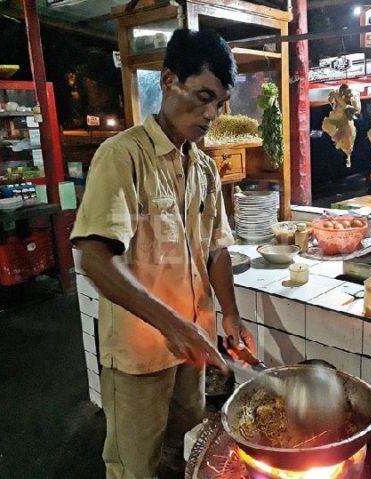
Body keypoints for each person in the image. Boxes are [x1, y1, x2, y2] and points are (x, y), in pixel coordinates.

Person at [70, 29, 254, 479]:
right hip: (140, 356)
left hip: (191, 350)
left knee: (182, 447)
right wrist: (173, 326)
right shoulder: (122, 156)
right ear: (170, 80)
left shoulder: (206, 168)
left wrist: (229, 315)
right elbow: (94, 257)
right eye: (203, 96)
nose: (211, 114)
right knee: (135, 465)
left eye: (220, 103)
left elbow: (217, 248)